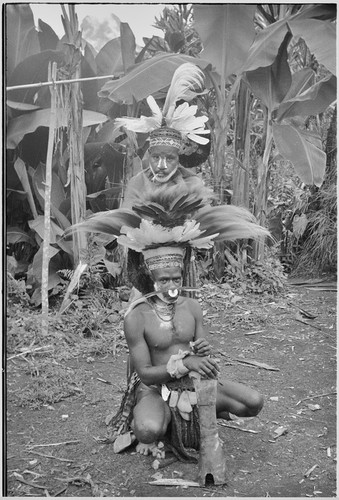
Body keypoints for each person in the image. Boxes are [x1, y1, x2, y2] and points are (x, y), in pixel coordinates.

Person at [123, 248, 264, 458]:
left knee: (253, 402)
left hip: (192, 383)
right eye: (164, 281)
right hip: (155, 389)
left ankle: (193, 413)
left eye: (176, 280)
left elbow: (199, 352)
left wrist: (203, 352)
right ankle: (147, 418)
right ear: (150, 278)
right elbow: (144, 373)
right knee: (148, 430)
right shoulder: (137, 316)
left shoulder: (192, 307)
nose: (172, 287)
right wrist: (185, 364)